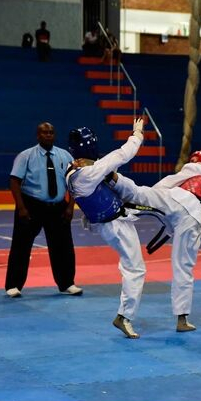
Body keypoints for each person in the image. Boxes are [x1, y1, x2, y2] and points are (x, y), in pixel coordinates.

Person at [112, 150, 201, 333]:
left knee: (141, 195)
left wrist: (153, 197)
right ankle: (182, 319)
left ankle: (113, 181)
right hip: (194, 219)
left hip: (178, 199)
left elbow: (169, 181)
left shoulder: (196, 167)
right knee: (183, 268)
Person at [66, 119, 147, 339]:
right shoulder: (88, 173)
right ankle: (125, 316)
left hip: (112, 221)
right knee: (135, 269)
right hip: (115, 225)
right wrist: (137, 132)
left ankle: (125, 314)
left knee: (131, 266)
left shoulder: (74, 169)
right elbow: (122, 154)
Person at [5, 122, 80, 298]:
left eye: (51, 132)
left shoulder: (65, 155)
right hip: (31, 205)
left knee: (64, 247)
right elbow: (14, 181)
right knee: (21, 246)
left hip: (58, 206)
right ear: (38, 135)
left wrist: (70, 206)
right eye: (44, 132)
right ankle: (13, 285)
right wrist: (21, 207)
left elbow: (74, 182)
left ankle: (67, 283)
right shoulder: (26, 155)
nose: (48, 135)